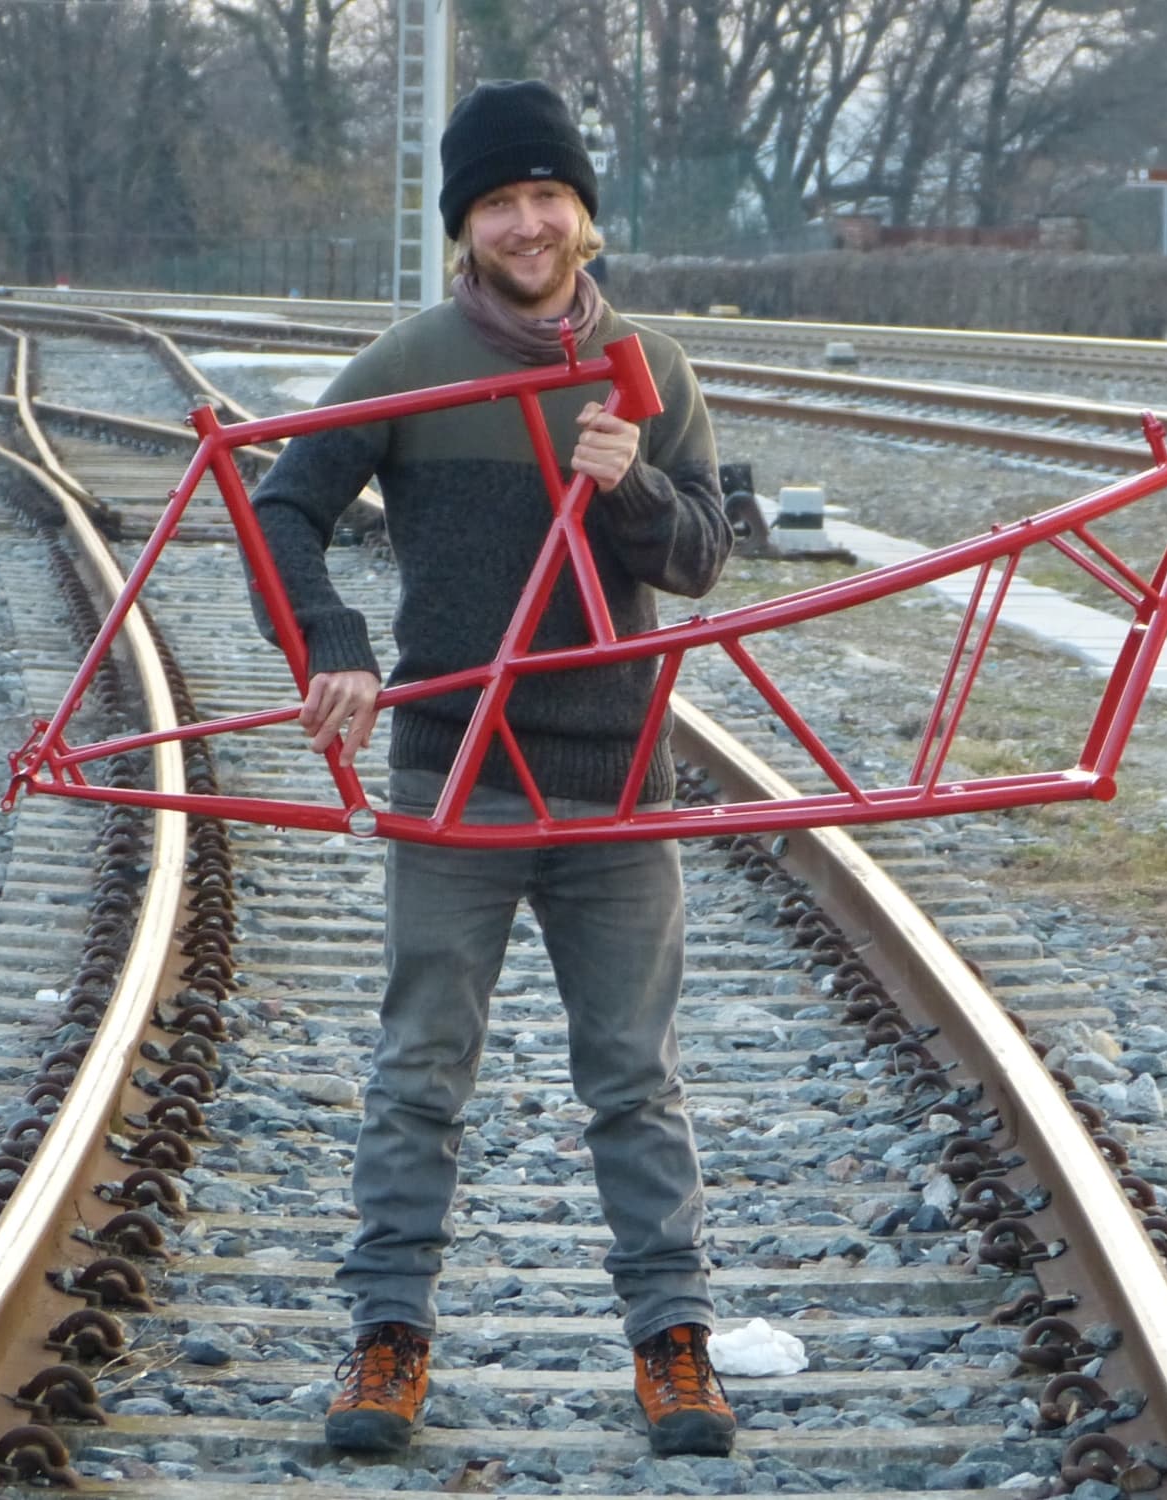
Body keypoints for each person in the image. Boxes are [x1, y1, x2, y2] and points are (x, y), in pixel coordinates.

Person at [247, 79, 735, 1459]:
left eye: (548, 199)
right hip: (455, 777)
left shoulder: (652, 364)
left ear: (583, 214)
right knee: (421, 1069)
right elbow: (283, 501)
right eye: (499, 204)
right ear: (467, 225)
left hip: (614, 778)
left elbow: (701, 557)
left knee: (634, 1078)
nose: (527, 225)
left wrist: (629, 480)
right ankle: (388, 1336)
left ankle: (674, 1346)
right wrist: (330, 639)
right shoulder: (409, 364)